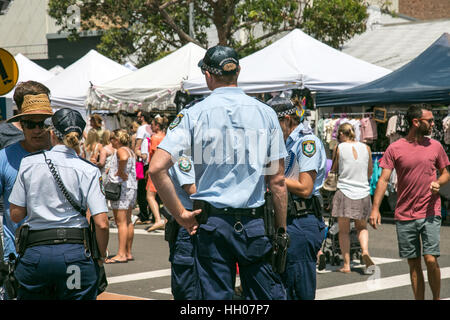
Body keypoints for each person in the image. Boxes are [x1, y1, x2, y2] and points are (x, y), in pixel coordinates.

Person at [150, 45, 288, 300]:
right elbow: (277, 181)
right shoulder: (267, 113)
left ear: (207, 74)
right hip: (255, 223)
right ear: (238, 71)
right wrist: (280, 230)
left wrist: (181, 215)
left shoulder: (193, 113)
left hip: (211, 224)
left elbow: (157, 168)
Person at [8, 107, 109, 300]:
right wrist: (100, 256)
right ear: (79, 137)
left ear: (52, 133)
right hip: (76, 253)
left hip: (36, 253)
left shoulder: (29, 163)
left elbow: (16, 214)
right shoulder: (88, 170)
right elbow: (102, 223)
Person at [369, 105, 450, 300]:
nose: (433, 124)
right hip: (405, 214)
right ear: (416, 122)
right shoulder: (395, 148)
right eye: (429, 121)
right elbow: (383, 179)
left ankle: (436, 298)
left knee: (430, 259)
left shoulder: (436, 146)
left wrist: (439, 182)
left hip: (430, 211)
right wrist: (375, 208)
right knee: (413, 263)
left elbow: (446, 172)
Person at [268, 96, 327, 300]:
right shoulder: (283, 142)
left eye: (273, 124)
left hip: (302, 219)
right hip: (286, 219)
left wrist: (270, 176)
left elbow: (305, 187)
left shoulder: (306, 142)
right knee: (282, 289)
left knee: (298, 289)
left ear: (287, 120)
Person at [1, 92, 53, 265]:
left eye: (43, 124)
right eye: (31, 124)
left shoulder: (64, 156)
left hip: (59, 251)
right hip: (18, 254)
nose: (37, 130)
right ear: (21, 126)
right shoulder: (5, 157)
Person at [331, 123, 374, 273]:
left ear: (342, 134)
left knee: (344, 231)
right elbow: (370, 172)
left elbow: (334, 169)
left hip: (345, 191)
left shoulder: (339, 148)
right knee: (362, 227)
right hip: (363, 191)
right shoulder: (366, 148)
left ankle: (347, 265)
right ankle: (365, 251)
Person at [164, 155, 200, 299]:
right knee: (187, 286)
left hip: (199, 220)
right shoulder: (183, 156)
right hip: (188, 222)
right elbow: (192, 189)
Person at [105, 129, 137, 263]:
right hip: (130, 187)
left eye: (112, 138)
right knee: (128, 221)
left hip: (121, 188)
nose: (110, 141)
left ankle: (121, 254)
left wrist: (119, 171)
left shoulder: (121, 151)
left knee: (121, 222)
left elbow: (123, 158)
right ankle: (127, 252)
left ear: (117, 140)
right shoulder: (130, 150)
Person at [143, 116, 168, 232]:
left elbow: (154, 154)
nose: (151, 127)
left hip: (155, 169)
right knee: (165, 196)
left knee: (150, 196)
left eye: (152, 125)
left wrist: (150, 169)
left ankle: (158, 220)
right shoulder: (166, 137)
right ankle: (166, 219)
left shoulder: (154, 138)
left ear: (157, 126)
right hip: (166, 169)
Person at [134, 111, 153, 225]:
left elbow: (137, 146)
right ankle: (152, 215)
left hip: (145, 162)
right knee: (152, 189)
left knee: (142, 190)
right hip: (153, 160)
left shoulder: (141, 129)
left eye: (138, 116)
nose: (137, 118)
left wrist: (139, 154)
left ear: (142, 117)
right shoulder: (152, 128)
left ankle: (144, 215)